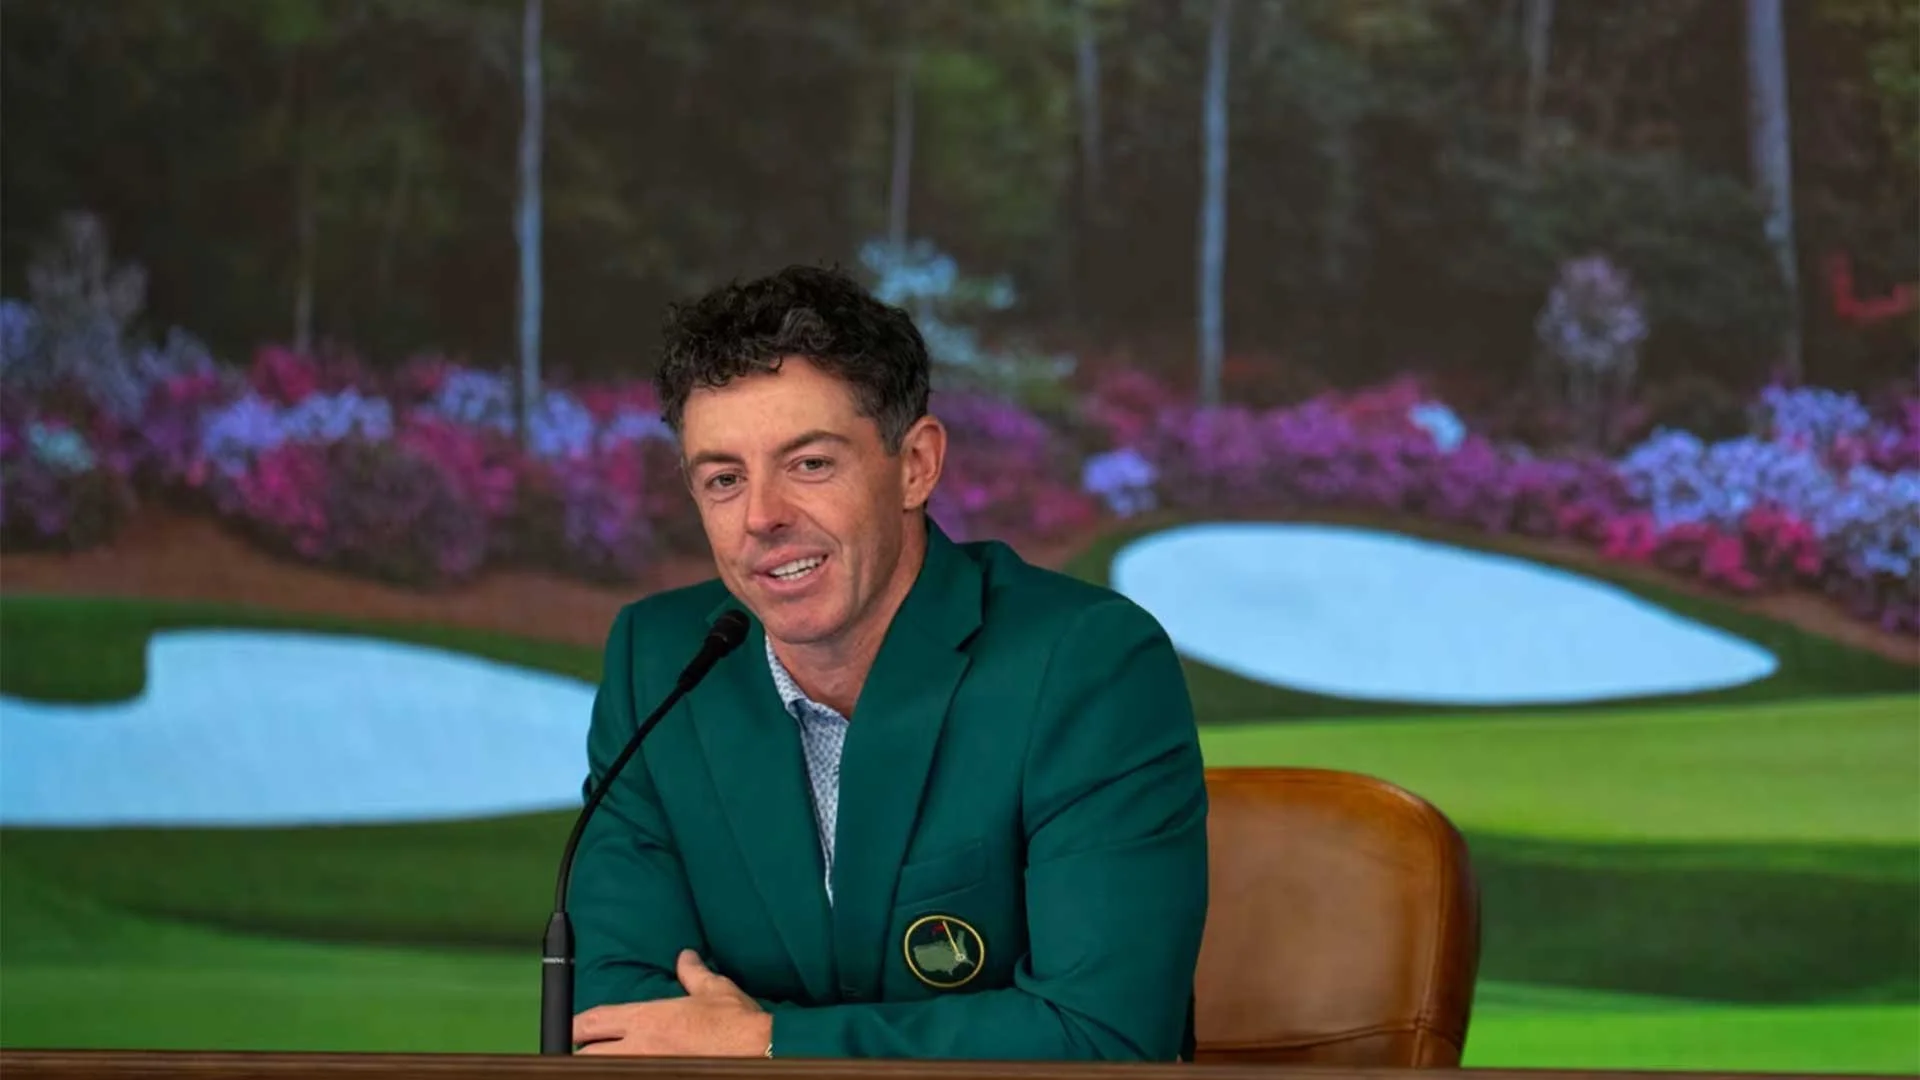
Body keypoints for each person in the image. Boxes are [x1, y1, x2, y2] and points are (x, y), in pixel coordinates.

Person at [566, 264, 1209, 1060]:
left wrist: (769, 1042)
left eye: (810, 464)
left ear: (916, 465)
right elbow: (618, 1022)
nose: (763, 517)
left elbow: (1102, 1036)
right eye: (724, 479)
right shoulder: (657, 663)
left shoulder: (1088, 664)